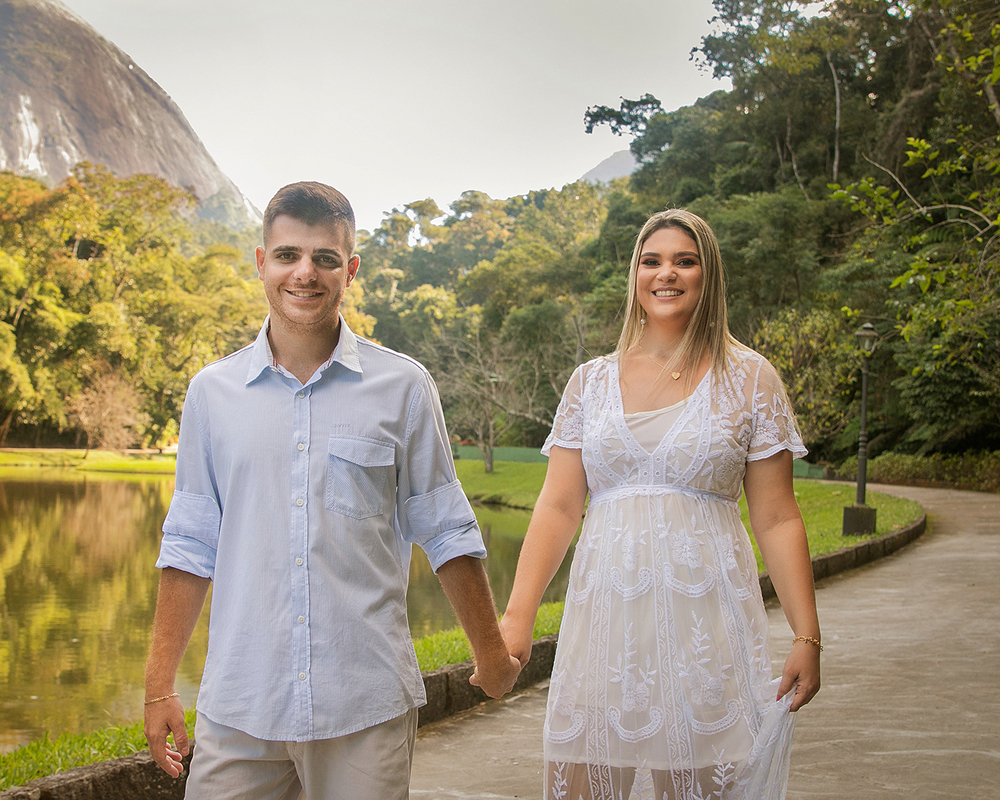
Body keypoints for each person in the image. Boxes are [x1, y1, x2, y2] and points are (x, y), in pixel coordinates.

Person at [143, 181, 521, 800]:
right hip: (240, 705)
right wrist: (160, 685)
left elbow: (447, 529)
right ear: (262, 263)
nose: (305, 274)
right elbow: (189, 544)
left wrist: (491, 654)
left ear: (351, 269)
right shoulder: (211, 394)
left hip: (364, 704)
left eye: (324, 258)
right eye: (289, 255)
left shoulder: (402, 387)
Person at [499, 209, 821, 800]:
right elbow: (558, 507)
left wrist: (807, 635)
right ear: (635, 275)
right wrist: (517, 618)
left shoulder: (750, 378)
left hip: (707, 628)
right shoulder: (589, 383)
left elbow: (777, 517)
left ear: (709, 275)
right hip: (604, 627)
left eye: (684, 261)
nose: (666, 274)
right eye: (652, 261)